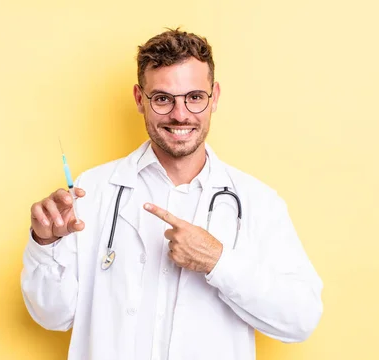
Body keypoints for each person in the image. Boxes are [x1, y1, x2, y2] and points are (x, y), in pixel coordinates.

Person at [20, 28, 324, 360]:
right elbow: (53, 316)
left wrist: (218, 261)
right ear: (140, 99)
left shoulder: (257, 201)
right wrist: (45, 245)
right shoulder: (92, 190)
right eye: (163, 98)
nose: (180, 114)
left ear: (215, 96)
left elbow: (301, 319)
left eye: (194, 97)